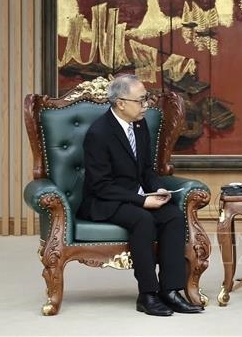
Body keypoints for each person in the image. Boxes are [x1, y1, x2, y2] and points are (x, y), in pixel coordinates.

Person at [77, 74, 203, 316]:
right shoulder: (99, 133)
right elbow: (101, 185)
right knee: (142, 219)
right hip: (105, 200)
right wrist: (142, 200)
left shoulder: (139, 124)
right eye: (141, 100)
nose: (146, 105)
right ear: (120, 103)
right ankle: (147, 294)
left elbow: (146, 169)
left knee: (173, 216)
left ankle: (171, 290)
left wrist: (158, 188)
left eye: (147, 99)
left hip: (136, 195)